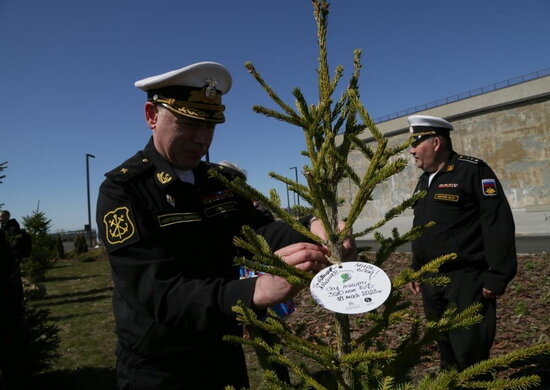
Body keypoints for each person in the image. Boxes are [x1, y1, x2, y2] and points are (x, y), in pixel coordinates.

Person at [96, 62, 339, 389]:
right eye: (187, 123)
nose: (201, 139)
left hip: (223, 351)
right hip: (160, 366)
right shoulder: (124, 191)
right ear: (152, 115)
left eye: (209, 125)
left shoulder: (217, 182)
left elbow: (259, 229)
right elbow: (156, 292)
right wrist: (257, 290)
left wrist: (315, 228)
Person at [406, 114, 517, 371]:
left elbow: (497, 222)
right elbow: (422, 229)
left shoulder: (472, 170)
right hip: (432, 280)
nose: (411, 150)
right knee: (445, 348)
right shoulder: (425, 180)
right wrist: (416, 266)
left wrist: (499, 275)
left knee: (470, 352)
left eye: (416, 142)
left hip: (466, 279)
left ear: (436, 142)